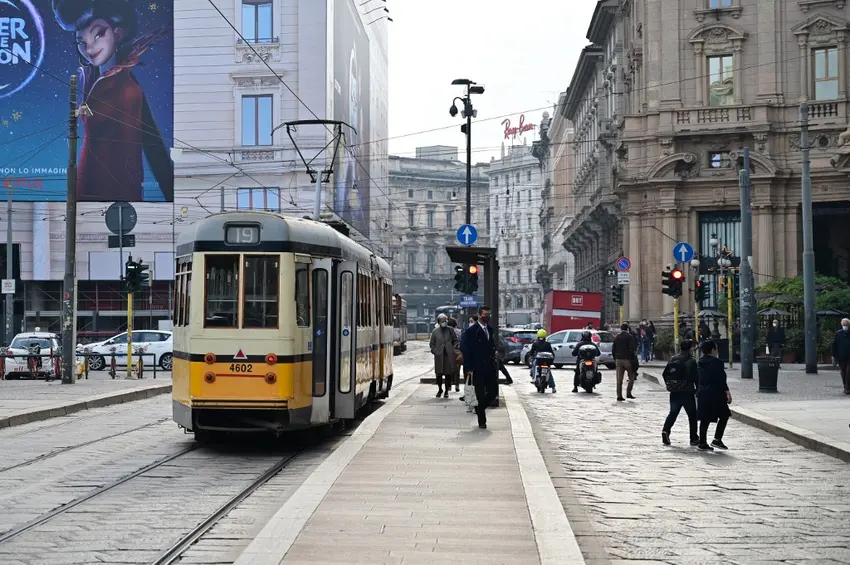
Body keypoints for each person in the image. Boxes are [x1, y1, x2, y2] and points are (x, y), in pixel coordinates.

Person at [53, 0, 174, 202]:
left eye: (99, 34)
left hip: (116, 189)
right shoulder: (91, 78)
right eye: (81, 41)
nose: (89, 48)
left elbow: (152, 144)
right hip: (89, 183)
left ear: (117, 34)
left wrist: (170, 194)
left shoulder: (126, 87)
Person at [460, 306, 498, 429]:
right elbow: (465, 349)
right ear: (480, 315)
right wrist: (469, 367)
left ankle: (479, 408)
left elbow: (492, 346)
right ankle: (482, 420)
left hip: (490, 367)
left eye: (489, 314)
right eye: (485, 314)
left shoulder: (490, 330)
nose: (487, 316)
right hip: (477, 367)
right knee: (480, 394)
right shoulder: (471, 331)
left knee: (492, 392)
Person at [661, 340, 700, 447]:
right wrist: (697, 390)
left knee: (673, 412)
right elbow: (696, 377)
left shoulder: (673, 358)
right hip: (687, 391)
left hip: (674, 391)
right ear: (689, 349)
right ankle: (694, 438)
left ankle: (666, 430)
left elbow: (665, 374)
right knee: (692, 415)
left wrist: (671, 385)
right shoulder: (691, 361)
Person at [696, 340, 732, 451]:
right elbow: (721, 379)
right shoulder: (717, 363)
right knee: (724, 415)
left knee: (704, 419)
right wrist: (727, 392)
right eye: (716, 348)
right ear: (712, 350)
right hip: (716, 393)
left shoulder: (699, 362)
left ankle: (702, 442)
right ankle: (717, 439)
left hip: (702, 393)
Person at [429, 314, 458, 398]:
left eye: (445, 320)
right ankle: (440, 389)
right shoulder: (435, 331)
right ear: (439, 322)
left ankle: (446, 391)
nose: (444, 322)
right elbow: (432, 344)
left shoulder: (450, 330)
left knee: (448, 374)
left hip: (448, 356)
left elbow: (455, 340)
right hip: (439, 356)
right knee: (439, 374)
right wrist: (435, 351)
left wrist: (452, 349)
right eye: (442, 321)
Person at [612, 323, 637, 401]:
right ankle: (628, 393)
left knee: (619, 379)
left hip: (618, 360)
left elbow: (613, 349)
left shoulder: (617, 337)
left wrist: (615, 358)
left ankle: (619, 395)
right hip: (627, 360)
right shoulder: (630, 337)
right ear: (627, 329)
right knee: (631, 377)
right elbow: (632, 349)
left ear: (621, 328)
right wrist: (632, 359)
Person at [833, 318, 850, 394]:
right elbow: (834, 345)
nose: (845, 326)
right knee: (843, 372)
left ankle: (848, 388)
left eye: (846, 325)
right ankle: (845, 386)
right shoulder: (838, 333)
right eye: (844, 325)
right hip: (841, 357)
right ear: (841, 324)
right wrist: (834, 356)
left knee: (848, 372)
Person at [447, 318, 462, 392]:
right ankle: (457, 385)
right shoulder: (459, 332)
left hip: (448, 353)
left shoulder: (446, 332)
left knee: (449, 370)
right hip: (457, 352)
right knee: (457, 370)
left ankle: (449, 386)